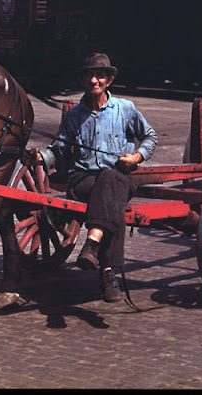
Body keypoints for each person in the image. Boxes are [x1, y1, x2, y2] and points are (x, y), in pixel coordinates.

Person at [38, 53, 157, 303]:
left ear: (109, 80)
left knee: (111, 180)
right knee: (111, 198)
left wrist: (137, 157)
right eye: (89, 76)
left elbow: (149, 137)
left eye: (100, 76)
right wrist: (41, 158)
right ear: (83, 80)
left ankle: (92, 245)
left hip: (119, 178)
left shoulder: (126, 109)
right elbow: (58, 149)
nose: (94, 80)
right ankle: (106, 274)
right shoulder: (73, 116)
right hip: (83, 180)